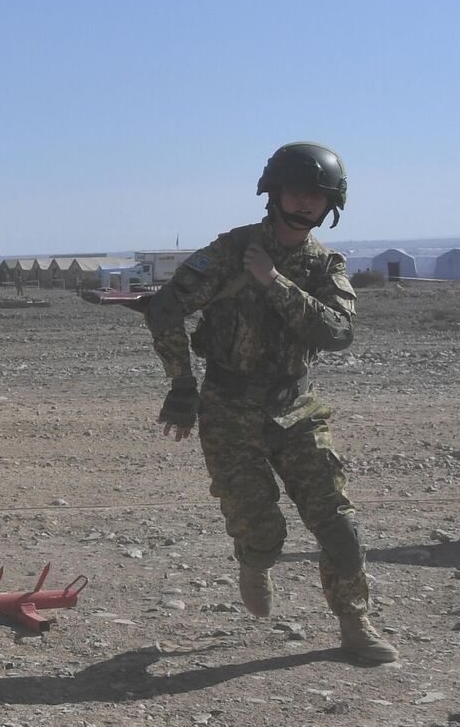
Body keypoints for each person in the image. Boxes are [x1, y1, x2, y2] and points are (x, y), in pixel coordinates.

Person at [142, 142, 396, 663]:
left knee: (337, 523)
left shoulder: (326, 265)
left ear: (331, 205)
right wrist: (181, 385)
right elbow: (165, 307)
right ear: (273, 192)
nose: (305, 204)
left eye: (317, 196)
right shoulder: (230, 250)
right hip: (228, 406)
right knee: (263, 531)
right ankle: (254, 562)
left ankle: (355, 624)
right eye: (297, 192)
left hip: (296, 406)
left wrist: (274, 282)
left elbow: (338, 332)